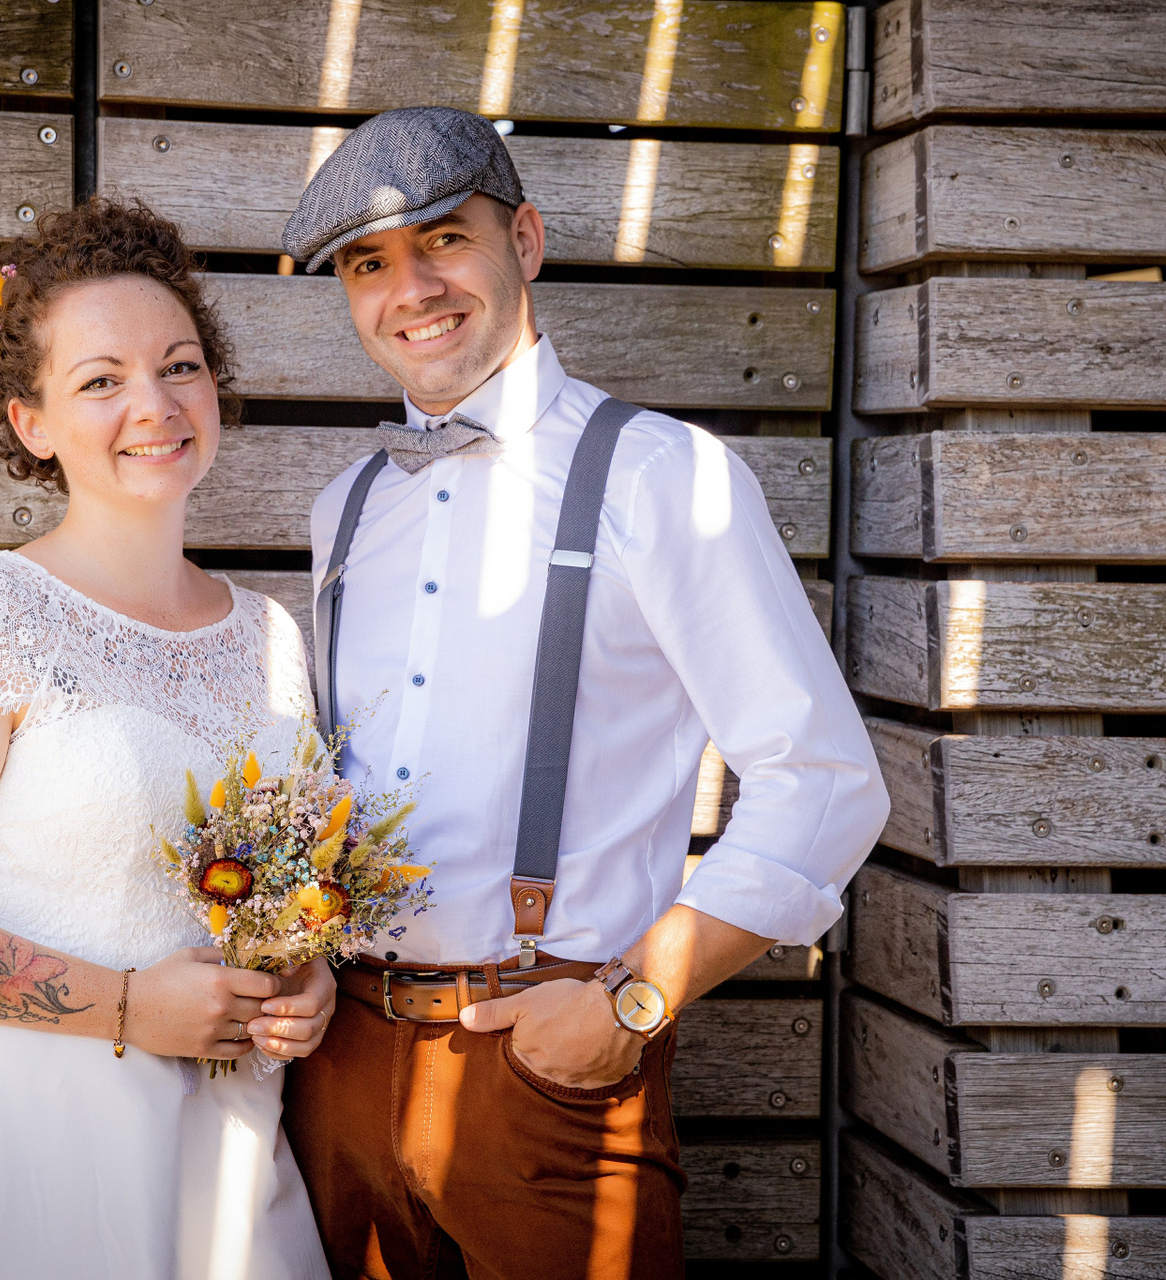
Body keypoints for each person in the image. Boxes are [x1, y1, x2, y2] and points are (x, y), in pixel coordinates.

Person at [280, 107, 891, 1279]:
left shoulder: (665, 476)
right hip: (340, 1066)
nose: (412, 289)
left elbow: (822, 779)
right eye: (369, 264)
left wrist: (633, 999)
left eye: (444, 240)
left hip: (548, 1062)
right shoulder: (344, 507)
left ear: (526, 239)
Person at [0, 200, 334, 1280]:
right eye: (100, 380)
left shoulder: (271, 634)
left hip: (220, 1159)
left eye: (180, 365)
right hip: (7, 1153)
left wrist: (303, 981)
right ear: (30, 421)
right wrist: (129, 1007)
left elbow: (281, 890)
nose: (155, 404)